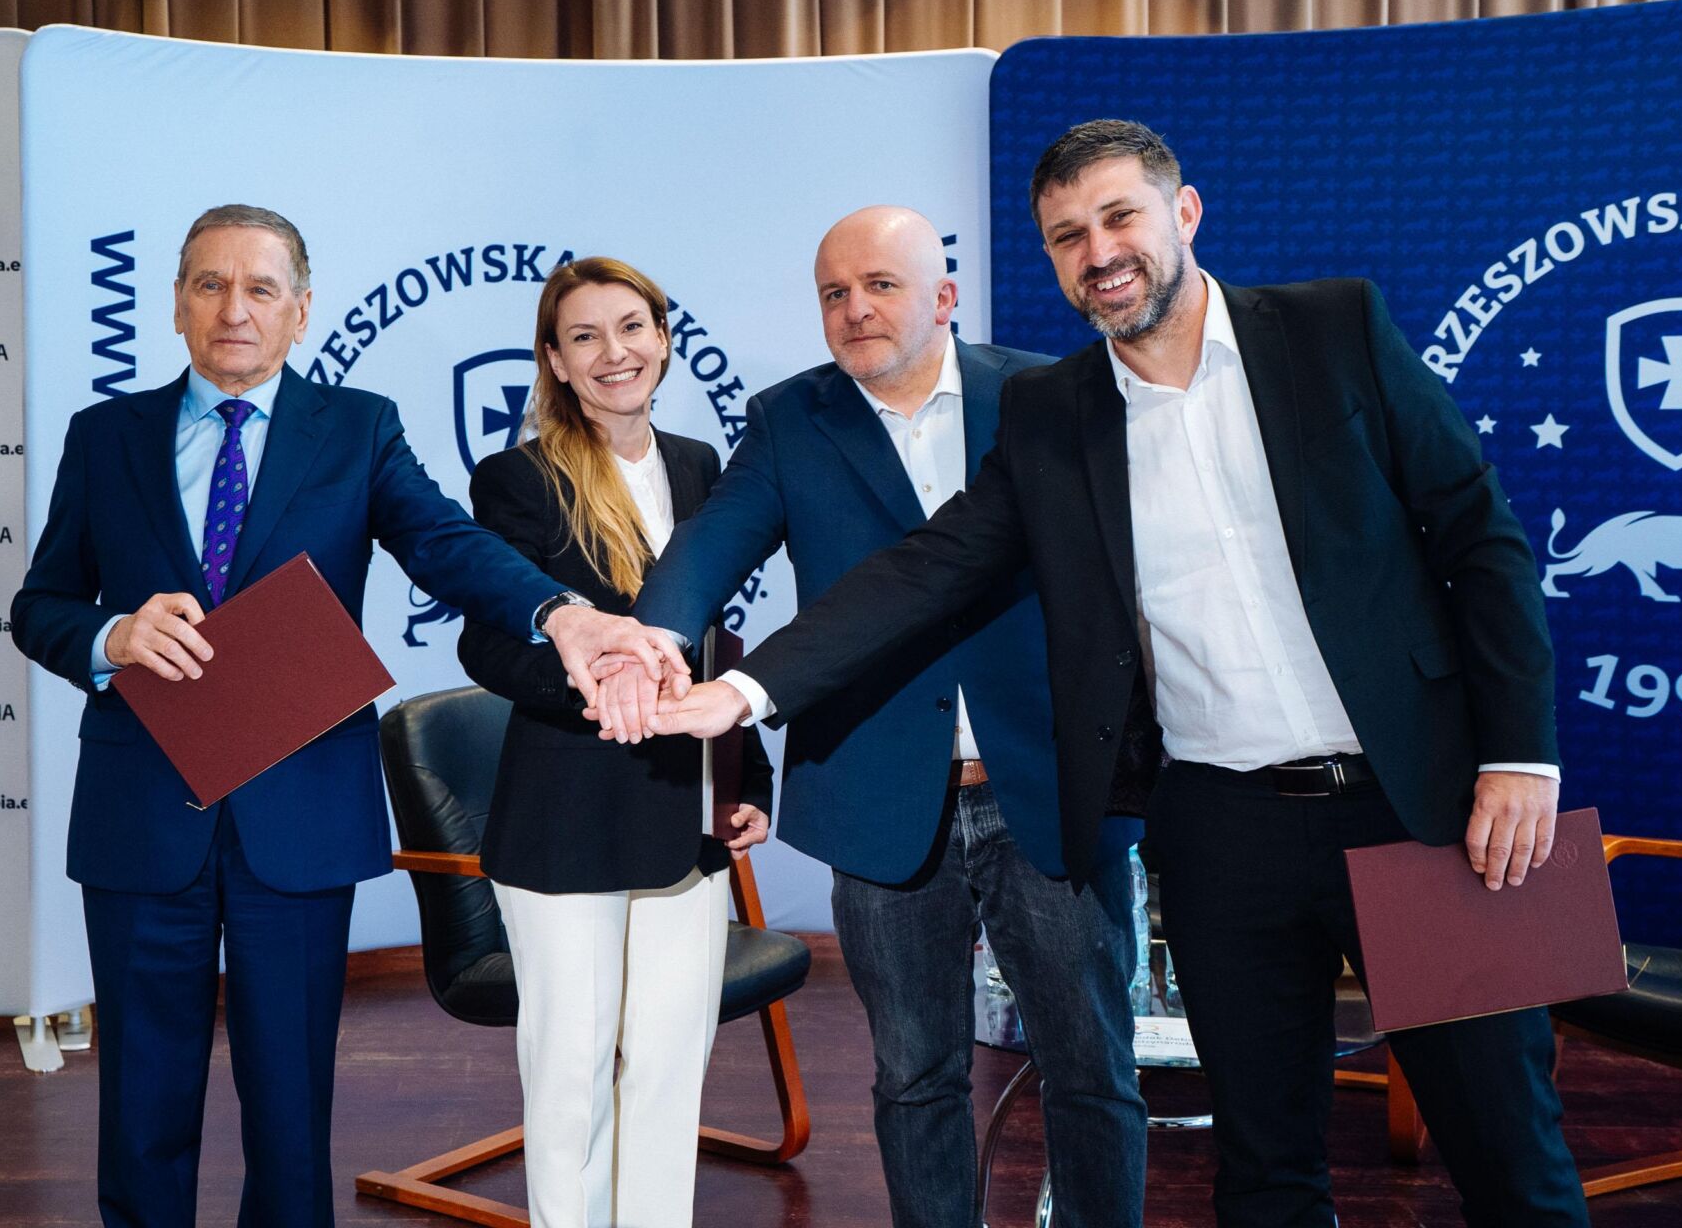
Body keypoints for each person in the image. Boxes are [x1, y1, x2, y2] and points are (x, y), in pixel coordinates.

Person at [648, 122, 1591, 1227]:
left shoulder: (1336, 324)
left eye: (1118, 217)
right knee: (1266, 1171)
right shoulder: (1055, 414)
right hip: (1222, 832)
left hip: (1426, 805)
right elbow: (925, 571)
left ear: (1182, 213)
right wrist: (743, 692)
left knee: (1511, 1150)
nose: (1098, 252)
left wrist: (1520, 755)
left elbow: (1481, 537)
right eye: (1066, 236)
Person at [11, 206, 682, 1228]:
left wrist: (560, 613)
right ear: (178, 303)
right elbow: (41, 606)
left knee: (291, 1112)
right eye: (209, 285)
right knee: (140, 1106)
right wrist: (112, 635)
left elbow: (446, 542)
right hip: (143, 809)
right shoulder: (105, 437)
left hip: (300, 815)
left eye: (261, 288)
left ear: (301, 310)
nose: (234, 310)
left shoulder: (358, 427)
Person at [592, 206, 1146, 1226]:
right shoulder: (790, 420)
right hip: (878, 791)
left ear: (944, 296)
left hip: (1048, 781)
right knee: (914, 1074)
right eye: (834, 294)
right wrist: (651, 636)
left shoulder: (1044, 393)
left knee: (1092, 1068)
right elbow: (712, 544)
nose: (854, 310)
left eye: (881, 286)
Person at [455, 255, 771, 1228]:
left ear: (663, 341)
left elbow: (714, 639)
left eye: (631, 327)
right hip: (567, 815)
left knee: (672, 1068)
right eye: (583, 336)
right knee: (571, 1074)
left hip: (685, 805)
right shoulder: (517, 478)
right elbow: (487, 642)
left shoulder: (701, 465)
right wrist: (605, 683)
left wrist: (746, 776)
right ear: (554, 359)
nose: (613, 352)